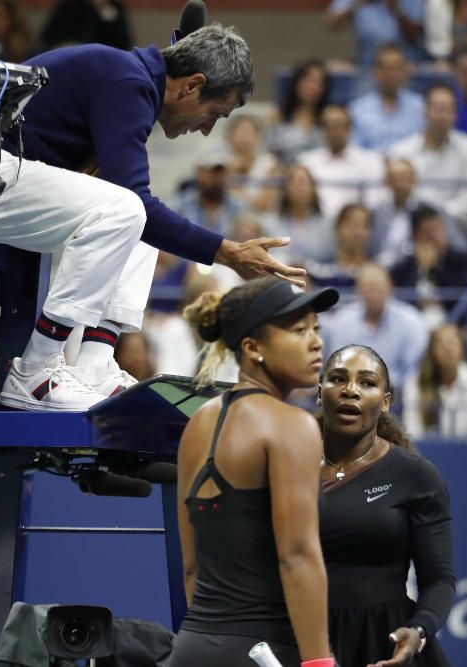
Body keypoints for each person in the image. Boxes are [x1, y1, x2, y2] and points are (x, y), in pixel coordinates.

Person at [0, 25, 305, 412]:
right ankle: (35, 371)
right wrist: (227, 252)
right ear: (191, 86)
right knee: (128, 209)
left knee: (135, 220)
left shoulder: (128, 78)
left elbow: (138, 209)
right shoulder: (126, 80)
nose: (206, 129)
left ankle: (95, 365)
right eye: (214, 114)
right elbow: (135, 202)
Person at [172, 278, 339, 667]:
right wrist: (319, 662)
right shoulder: (292, 426)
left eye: (316, 328)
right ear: (252, 348)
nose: (315, 342)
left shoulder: (197, 424)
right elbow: (297, 556)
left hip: (193, 647)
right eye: (299, 330)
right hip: (264, 654)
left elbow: (191, 567)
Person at [316, 344, 454, 666]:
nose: (351, 391)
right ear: (320, 392)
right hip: (304, 640)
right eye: (338, 379)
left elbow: (439, 580)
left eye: (367, 383)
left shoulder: (416, 475)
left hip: (385, 643)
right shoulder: (286, 467)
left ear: (386, 401)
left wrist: (419, 631)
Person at [389, 83, 467, 231]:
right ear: (425, 112)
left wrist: (433, 219)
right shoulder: (400, 151)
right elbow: (397, 201)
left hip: (453, 228)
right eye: (438, 110)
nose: (442, 117)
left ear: (455, 115)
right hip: (410, 226)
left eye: (448, 111)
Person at [321, 263, 428, 389]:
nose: (373, 294)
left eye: (377, 287)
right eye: (367, 288)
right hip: (353, 391)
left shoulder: (411, 321)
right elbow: (339, 365)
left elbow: (413, 369)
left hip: (398, 394)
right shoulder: (343, 321)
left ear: (390, 288)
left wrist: (382, 389)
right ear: (358, 290)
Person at [403, 323, 467, 439]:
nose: (448, 349)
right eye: (441, 344)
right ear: (432, 351)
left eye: (453, 342)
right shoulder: (414, 385)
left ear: (462, 348)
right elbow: (413, 437)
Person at [298, 105, 388, 220]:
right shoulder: (306, 162)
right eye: (329, 126)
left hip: (356, 226)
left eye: (339, 126)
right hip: (316, 224)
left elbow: (374, 203)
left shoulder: (371, 161)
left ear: (349, 128)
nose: (334, 132)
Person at [348, 44, 426, 153]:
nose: (391, 74)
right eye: (386, 68)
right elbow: (354, 152)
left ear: (405, 72)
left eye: (396, 68)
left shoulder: (421, 107)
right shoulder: (357, 109)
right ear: (375, 72)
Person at [326, 0, 427, 68]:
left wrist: (396, 9)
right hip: (368, 68)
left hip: (406, 69)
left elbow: (417, 35)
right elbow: (331, 23)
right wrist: (355, 5)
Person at [269, 59, 330, 165]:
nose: (314, 87)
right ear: (297, 82)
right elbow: (269, 154)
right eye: (310, 80)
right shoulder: (277, 115)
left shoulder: (328, 118)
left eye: (320, 83)